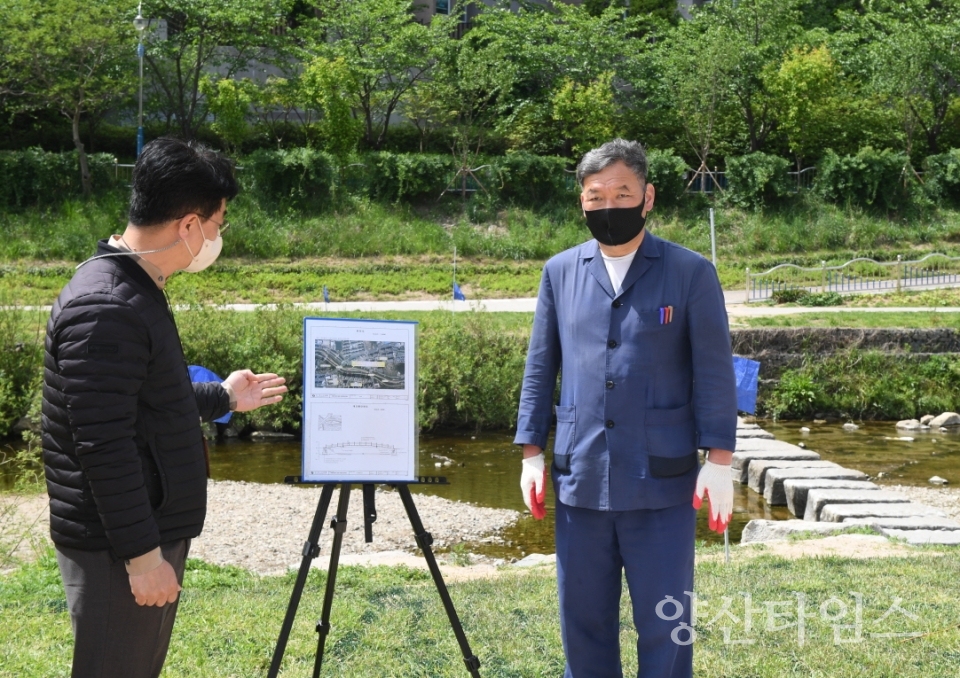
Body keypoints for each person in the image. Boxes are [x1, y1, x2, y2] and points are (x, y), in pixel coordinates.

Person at [41, 137, 288, 678]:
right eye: (219, 225)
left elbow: (143, 403)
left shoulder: (133, 284)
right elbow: (102, 445)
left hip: (139, 532)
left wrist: (224, 396)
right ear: (190, 226)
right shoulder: (105, 304)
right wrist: (143, 557)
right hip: (118, 545)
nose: (219, 238)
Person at [514, 138, 737, 678]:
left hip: (661, 479)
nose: (608, 205)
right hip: (580, 476)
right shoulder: (560, 272)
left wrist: (720, 460)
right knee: (583, 619)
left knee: (665, 622)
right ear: (581, 202)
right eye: (595, 196)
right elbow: (541, 365)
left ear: (648, 197)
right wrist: (531, 453)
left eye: (622, 192)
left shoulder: (689, 273)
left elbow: (713, 369)